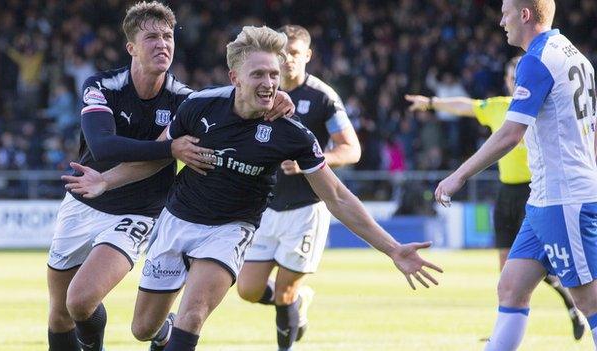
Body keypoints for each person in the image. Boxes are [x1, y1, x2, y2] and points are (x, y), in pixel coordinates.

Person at [63, 25, 443, 351]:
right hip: (177, 221)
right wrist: (105, 180)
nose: (269, 83)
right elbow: (161, 154)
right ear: (235, 77)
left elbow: (337, 196)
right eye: (258, 74)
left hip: (231, 229)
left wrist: (392, 249)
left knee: (193, 315)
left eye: (273, 75)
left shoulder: (291, 133)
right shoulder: (199, 106)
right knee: (142, 329)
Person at [46, 3, 293, 351]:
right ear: (131, 47)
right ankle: (162, 334)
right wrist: (170, 149)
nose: (162, 44)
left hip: (139, 211)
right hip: (84, 198)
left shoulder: (185, 100)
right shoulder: (102, 86)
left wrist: (274, 96)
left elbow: (236, 98)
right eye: (151, 37)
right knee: (59, 315)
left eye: (167, 36)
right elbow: (103, 148)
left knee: (80, 300)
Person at [433, 1, 597, 349]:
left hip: (563, 199)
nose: (500, 19)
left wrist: (459, 175)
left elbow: (510, 134)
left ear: (524, 15)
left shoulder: (536, 60)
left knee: (589, 300)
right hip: (543, 199)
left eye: (506, 11)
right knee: (511, 287)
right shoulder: (573, 55)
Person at [405, 56, 585, 340]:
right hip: (506, 193)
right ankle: (505, 329)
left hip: (536, 192)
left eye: (518, 77)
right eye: (511, 78)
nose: (515, 82)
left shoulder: (543, 106)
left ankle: (571, 305)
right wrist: (430, 102)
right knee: (507, 267)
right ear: (506, 80)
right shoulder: (499, 106)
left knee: (547, 263)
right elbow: (465, 106)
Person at [235, 24, 361, 350]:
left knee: (283, 293)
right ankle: (298, 301)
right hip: (266, 205)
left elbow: (352, 149)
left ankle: (287, 336)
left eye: (294, 53)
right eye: (283, 54)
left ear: (307, 56)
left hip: (305, 209)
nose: (288, 60)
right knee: (247, 290)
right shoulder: (260, 91)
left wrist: (315, 159)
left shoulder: (322, 97)